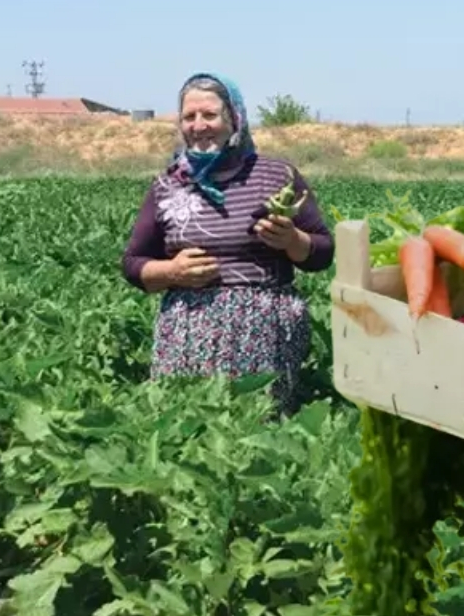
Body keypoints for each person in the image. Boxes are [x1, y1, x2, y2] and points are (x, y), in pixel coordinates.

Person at [121, 72, 334, 417]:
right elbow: (132, 263)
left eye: (210, 115)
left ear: (235, 118)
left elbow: (323, 252)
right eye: (189, 117)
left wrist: (293, 240)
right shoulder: (167, 185)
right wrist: (171, 271)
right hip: (187, 334)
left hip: (265, 333)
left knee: (258, 429)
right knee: (186, 427)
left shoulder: (278, 175)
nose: (199, 125)